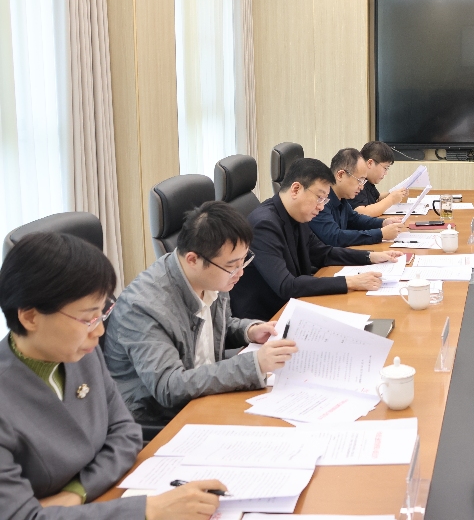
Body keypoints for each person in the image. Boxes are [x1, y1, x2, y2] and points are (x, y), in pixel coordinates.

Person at [0, 232, 224, 520]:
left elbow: (126, 434)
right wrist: (149, 510)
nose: (99, 331)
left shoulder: (81, 353)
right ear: (30, 317)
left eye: (100, 314)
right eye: (87, 318)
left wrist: (76, 492)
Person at [103, 202, 299, 424]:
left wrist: (249, 331)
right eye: (232, 266)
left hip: (205, 395)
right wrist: (254, 364)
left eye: (243, 261)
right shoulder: (143, 306)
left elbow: (212, 326)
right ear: (193, 260)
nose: (240, 273)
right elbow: (169, 386)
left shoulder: (211, 277)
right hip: (160, 419)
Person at [230, 158, 403, 321]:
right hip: (267, 319)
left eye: (325, 200)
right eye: (319, 198)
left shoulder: (296, 214)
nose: (321, 207)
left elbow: (323, 253)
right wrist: (351, 282)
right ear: (296, 189)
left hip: (294, 305)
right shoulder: (264, 224)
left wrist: (370, 257)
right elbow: (286, 285)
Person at [309, 148, 407, 247]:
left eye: (363, 181)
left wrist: (383, 223)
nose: (362, 187)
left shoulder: (341, 197)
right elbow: (335, 237)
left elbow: (355, 219)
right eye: (359, 180)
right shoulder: (321, 200)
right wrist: (380, 234)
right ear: (340, 175)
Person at [349, 141, 408, 217]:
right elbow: (362, 213)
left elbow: (376, 199)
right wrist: (391, 199)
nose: (386, 173)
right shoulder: (356, 182)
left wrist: (393, 194)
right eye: (385, 168)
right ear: (370, 163)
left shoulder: (368, 181)